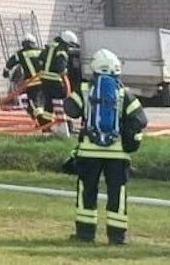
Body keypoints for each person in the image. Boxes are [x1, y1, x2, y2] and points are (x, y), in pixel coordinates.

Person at [64, 48, 148, 245]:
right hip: (118, 155)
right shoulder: (124, 93)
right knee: (116, 193)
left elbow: (71, 110)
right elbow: (141, 119)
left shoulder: (85, 90)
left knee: (87, 191)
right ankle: (117, 237)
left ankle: (85, 234)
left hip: (88, 152)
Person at [39, 30, 80, 133]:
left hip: (44, 80)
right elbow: (60, 67)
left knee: (48, 105)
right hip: (55, 80)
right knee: (64, 102)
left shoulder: (51, 46)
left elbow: (40, 58)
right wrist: (65, 78)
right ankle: (68, 128)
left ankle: (45, 127)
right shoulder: (62, 50)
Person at [6, 35, 50, 126]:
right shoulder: (41, 51)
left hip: (32, 83)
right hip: (45, 82)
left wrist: (6, 72)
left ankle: (43, 123)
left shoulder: (21, 53)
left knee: (34, 104)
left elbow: (10, 62)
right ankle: (42, 121)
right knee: (41, 102)